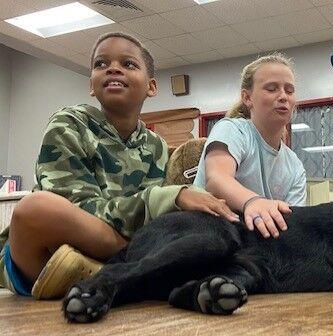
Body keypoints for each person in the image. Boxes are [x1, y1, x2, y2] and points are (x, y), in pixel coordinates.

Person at [0, 32, 238, 299]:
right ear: (91, 84)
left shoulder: (156, 146)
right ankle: (129, 270)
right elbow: (82, 210)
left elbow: (149, 222)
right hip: (48, 255)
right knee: (35, 208)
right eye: (101, 64)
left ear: (151, 87)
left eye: (128, 64)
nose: (113, 68)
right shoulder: (69, 123)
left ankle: (112, 276)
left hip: (115, 251)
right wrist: (171, 197)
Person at [193, 53, 306, 240]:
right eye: (271, 89)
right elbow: (216, 180)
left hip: (256, 244)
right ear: (247, 97)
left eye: (290, 90)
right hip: (208, 233)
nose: (283, 96)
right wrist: (254, 202)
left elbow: (292, 223)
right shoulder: (232, 130)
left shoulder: (295, 165)